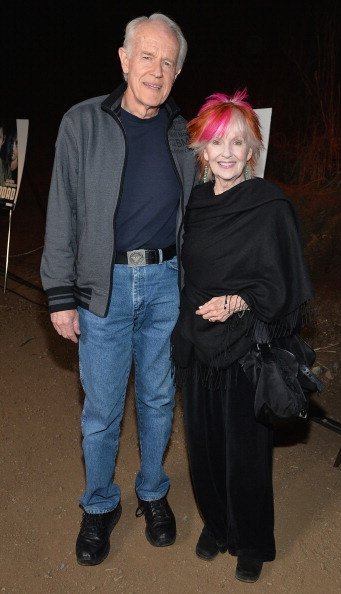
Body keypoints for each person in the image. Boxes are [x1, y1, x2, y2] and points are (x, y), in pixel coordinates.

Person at [41, 13, 195, 566]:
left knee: (157, 398)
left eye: (168, 62)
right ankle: (100, 504)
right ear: (125, 59)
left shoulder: (185, 131)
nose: (157, 70)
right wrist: (60, 293)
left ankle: (153, 493)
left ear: (177, 74)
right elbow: (62, 210)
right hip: (101, 287)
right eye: (147, 57)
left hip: (164, 286)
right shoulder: (82, 123)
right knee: (103, 409)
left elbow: (208, 203)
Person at [171, 90, 313, 583]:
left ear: (251, 150)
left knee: (245, 453)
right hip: (196, 345)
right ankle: (216, 525)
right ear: (202, 152)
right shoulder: (193, 205)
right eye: (216, 143)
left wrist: (237, 301)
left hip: (245, 349)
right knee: (204, 445)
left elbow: (285, 283)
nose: (227, 152)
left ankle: (251, 539)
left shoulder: (270, 205)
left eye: (237, 142)